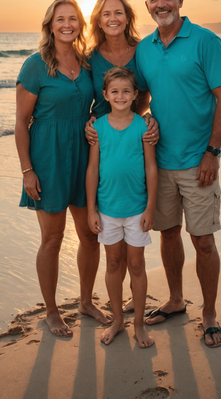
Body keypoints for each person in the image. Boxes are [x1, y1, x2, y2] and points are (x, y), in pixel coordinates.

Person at [136, 0, 221, 349]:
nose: (161, 4)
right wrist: (118, 123)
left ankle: (209, 315)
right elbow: (142, 98)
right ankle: (176, 300)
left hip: (198, 161)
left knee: (203, 240)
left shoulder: (206, 41)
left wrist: (213, 152)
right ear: (147, 5)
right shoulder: (144, 49)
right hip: (159, 162)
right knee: (168, 233)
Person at [15, 0, 112, 337]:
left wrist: (96, 122)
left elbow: (105, 103)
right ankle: (52, 312)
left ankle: (85, 302)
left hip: (83, 157)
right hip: (48, 159)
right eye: (60, 19)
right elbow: (21, 122)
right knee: (52, 239)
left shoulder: (87, 65)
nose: (67, 24)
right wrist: (28, 171)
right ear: (50, 25)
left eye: (73, 18)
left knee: (90, 234)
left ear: (80, 24)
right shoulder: (34, 65)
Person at [87, 0, 159, 313]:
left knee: (136, 259)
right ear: (99, 21)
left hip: (134, 132)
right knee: (113, 258)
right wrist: (90, 121)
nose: (113, 18)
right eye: (106, 14)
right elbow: (84, 95)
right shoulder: (91, 57)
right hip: (101, 138)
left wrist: (147, 118)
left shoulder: (141, 51)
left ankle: (139, 311)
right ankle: (114, 311)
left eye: (118, 12)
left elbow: (153, 88)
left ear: (128, 17)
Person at [86, 67, 157, 348]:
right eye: (114, 91)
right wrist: (91, 209)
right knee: (113, 263)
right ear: (105, 95)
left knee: (137, 264)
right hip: (107, 210)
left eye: (126, 90)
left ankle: (138, 323)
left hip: (138, 208)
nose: (120, 95)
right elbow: (92, 170)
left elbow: (152, 167)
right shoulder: (98, 127)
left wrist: (151, 207)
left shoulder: (143, 126)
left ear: (135, 94)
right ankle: (118, 320)